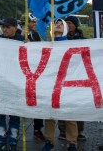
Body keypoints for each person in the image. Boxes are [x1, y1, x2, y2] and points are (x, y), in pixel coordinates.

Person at [42, 19, 78, 151]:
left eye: (61, 23)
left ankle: (72, 142)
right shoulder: (47, 44)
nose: (57, 24)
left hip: (67, 84)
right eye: (56, 23)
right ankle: (49, 141)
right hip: (51, 84)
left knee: (69, 114)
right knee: (50, 114)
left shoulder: (71, 44)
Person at [0, 18, 24, 151]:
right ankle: (1, 140)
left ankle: (13, 141)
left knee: (14, 114)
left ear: (15, 28)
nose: (4, 29)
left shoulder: (23, 41)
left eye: (7, 27)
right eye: (3, 27)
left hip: (16, 84)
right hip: (0, 82)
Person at [58, 15, 87, 141]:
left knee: (78, 106)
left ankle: (78, 131)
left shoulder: (84, 40)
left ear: (76, 25)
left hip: (79, 77)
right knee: (62, 104)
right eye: (66, 23)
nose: (68, 25)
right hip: (63, 77)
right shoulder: (59, 39)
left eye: (70, 23)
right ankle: (63, 131)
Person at [24, 13, 45, 142]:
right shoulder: (20, 33)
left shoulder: (35, 34)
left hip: (34, 72)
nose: (35, 24)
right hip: (23, 71)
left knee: (37, 102)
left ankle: (37, 129)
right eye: (33, 22)